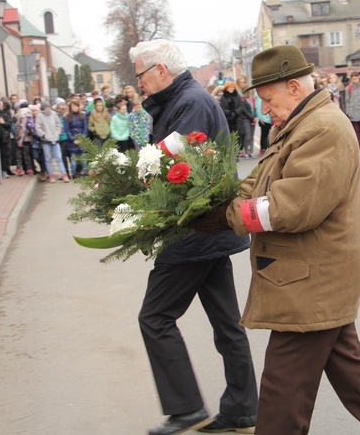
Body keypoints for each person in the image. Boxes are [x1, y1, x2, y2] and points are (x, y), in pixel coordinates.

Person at [191, 45, 360, 435]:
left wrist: (227, 218)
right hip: (310, 277)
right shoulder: (297, 125)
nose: (264, 111)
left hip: (310, 281)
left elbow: (289, 207)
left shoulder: (322, 129)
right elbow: (258, 183)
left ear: (294, 88)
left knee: (282, 401)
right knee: (357, 379)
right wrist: (215, 203)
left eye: (268, 99)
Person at [129, 39, 257, 435]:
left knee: (155, 317)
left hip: (194, 233)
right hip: (205, 231)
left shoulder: (191, 103)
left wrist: (138, 189)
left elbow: (172, 165)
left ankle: (186, 409)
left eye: (140, 75)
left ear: (160, 71)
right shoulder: (181, 100)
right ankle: (242, 410)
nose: (138, 85)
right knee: (226, 324)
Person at [35, 100, 69, 183]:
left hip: (55, 139)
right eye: (45, 108)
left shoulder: (54, 114)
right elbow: (38, 127)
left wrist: (57, 133)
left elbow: (59, 124)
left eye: (48, 107)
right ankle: (51, 175)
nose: (47, 109)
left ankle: (64, 174)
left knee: (59, 157)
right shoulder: (39, 116)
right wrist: (43, 135)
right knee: (48, 158)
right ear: (43, 109)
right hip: (46, 140)